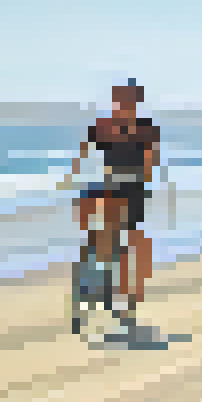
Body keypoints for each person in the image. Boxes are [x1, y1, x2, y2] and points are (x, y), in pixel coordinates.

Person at [65, 80, 162, 308]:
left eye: (127, 100)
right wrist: (76, 176)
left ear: (136, 103)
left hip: (133, 188)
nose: (122, 105)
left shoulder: (145, 128)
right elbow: (83, 153)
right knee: (95, 224)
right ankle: (94, 271)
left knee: (131, 238)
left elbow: (151, 163)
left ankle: (125, 291)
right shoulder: (104, 126)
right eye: (119, 100)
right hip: (109, 186)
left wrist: (140, 171)